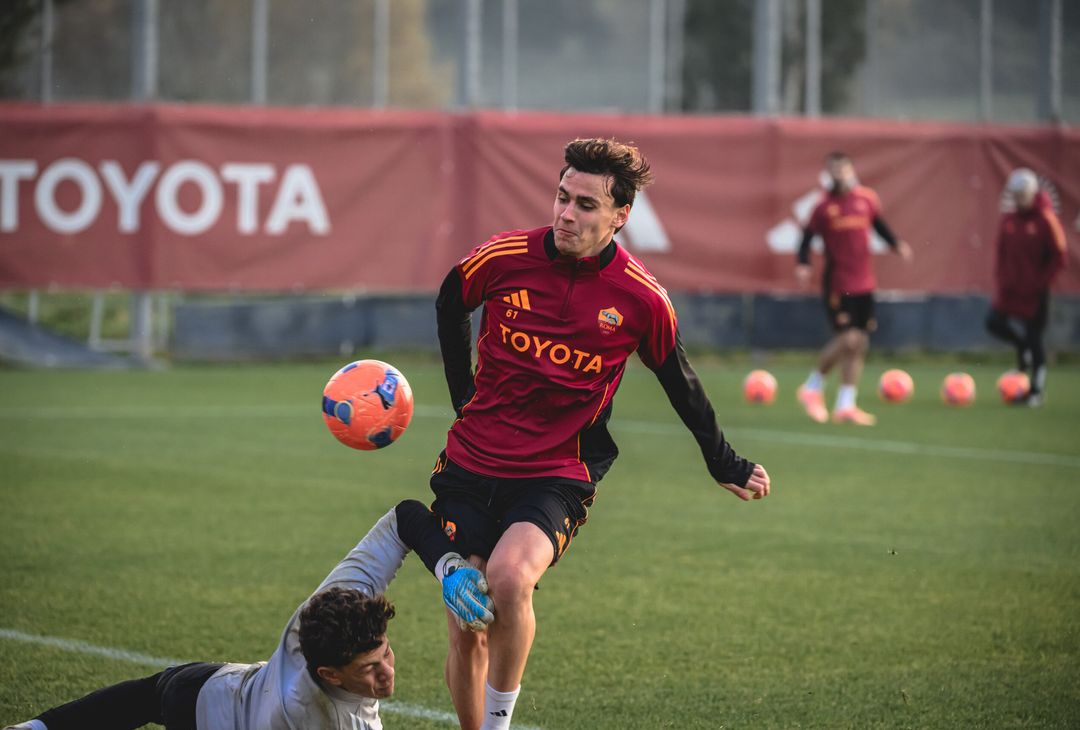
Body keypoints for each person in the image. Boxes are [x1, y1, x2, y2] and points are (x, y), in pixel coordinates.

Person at [432, 137, 771, 730]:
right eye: (562, 197)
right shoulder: (504, 257)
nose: (566, 214)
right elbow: (449, 301)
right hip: (472, 463)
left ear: (620, 216)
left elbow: (680, 382)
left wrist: (724, 461)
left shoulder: (641, 298)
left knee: (509, 579)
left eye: (586, 205)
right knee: (468, 619)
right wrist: (464, 397)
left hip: (556, 472)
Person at [4, 501, 493, 730]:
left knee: (144, 696)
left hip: (212, 684)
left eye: (384, 653)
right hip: (200, 716)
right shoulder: (310, 718)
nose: (387, 672)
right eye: (369, 668)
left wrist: (449, 570)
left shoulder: (333, 607)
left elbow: (405, 517)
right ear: (328, 674)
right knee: (153, 699)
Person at [794, 151, 913, 426]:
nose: (840, 175)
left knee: (859, 343)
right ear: (828, 174)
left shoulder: (866, 199)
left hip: (864, 282)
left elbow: (878, 224)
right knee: (848, 339)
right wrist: (803, 263)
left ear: (851, 171)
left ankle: (846, 404)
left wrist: (896, 244)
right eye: (834, 171)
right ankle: (812, 386)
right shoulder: (823, 207)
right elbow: (806, 238)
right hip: (838, 282)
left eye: (844, 170)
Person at [985, 168, 1068, 407]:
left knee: (1034, 337)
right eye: (1016, 194)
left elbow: (1060, 256)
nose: (1019, 198)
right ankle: (1022, 349)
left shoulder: (1045, 219)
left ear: (1033, 193)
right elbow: (1001, 252)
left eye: (1023, 193)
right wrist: (1002, 279)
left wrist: (1040, 283)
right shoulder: (1008, 220)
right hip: (1011, 290)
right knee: (993, 322)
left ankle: (1036, 391)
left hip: (1035, 293)